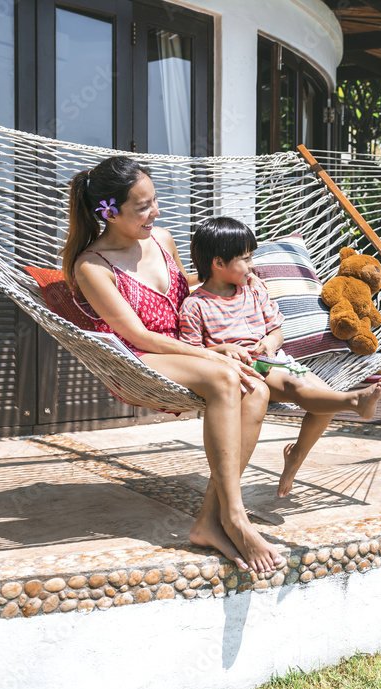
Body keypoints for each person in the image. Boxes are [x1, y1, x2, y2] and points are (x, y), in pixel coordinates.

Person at [63, 156, 281, 575]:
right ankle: (235, 519)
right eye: (142, 207)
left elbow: (192, 293)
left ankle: (207, 522)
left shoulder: (161, 239)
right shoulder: (92, 266)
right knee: (225, 376)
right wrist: (215, 354)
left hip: (182, 348)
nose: (155, 213)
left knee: (257, 387)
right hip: (139, 363)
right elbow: (139, 336)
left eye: (154, 201)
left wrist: (245, 282)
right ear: (109, 212)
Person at [179, 217, 381, 498]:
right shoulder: (195, 305)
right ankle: (354, 401)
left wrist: (269, 341)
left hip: (274, 360)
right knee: (299, 389)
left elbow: (277, 331)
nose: (252, 265)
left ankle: (295, 456)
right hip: (243, 372)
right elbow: (190, 353)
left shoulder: (254, 290)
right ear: (218, 263)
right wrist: (222, 350)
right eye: (245, 259)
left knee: (324, 400)